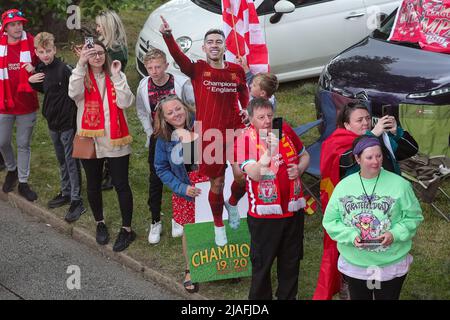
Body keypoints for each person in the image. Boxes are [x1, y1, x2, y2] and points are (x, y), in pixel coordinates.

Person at [313, 101, 419, 300]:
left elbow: (411, 149)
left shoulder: (380, 139)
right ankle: (349, 284)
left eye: (367, 119)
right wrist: (371, 135)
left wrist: (397, 131)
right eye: (359, 120)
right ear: (346, 125)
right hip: (355, 209)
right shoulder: (338, 141)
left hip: (389, 204)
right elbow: (345, 161)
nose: (365, 123)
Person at [160, 16, 249, 246]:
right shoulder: (197, 69)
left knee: (241, 176)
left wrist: (247, 110)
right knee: (216, 183)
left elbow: (244, 93)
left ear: (224, 46)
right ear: (204, 47)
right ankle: (219, 223)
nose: (214, 45)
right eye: (210, 42)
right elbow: (179, 58)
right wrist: (168, 36)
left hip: (235, 131)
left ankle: (232, 202)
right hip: (209, 135)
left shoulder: (237, 70)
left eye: (218, 41)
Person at [235, 98, 310, 300]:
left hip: (293, 210)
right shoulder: (244, 140)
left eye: (269, 115)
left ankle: (288, 296)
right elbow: (255, 174)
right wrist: (269, 151)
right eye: (261, 117)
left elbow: (304, 155)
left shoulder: (284, 129)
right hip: (265, 218)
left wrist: (300, 168)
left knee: (291, 260)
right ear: (250, 119)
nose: (267, 121)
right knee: (262, 263)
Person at [68, 40, 135, 252]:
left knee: (121, 184)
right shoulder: (81, 77)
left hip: (116, 139)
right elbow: (73, 92)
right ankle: (100, 223)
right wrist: (80, 64)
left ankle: (126, 229)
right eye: (92, 53)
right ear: (86, 57)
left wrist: (116, 76)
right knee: (93, 184)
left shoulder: (117, 75)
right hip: (90, 140)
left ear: (105, 55)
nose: (97, 57)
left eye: (100, 53)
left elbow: (126, 102)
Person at [136, 48, 195, 245]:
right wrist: (149, 132)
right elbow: (142, 111)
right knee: (156, 177)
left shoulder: (180, 83)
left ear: (166, 66)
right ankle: (155, 219)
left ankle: (179, 216)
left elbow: (191, 105)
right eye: (150, 67)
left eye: (158, 66)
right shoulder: (144, 85)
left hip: (183, 134)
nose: (154, 71)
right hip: (160, 136)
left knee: (184, 171)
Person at [28, 32, 85, 222]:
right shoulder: (40, 69)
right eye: (42, 51)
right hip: (52, 122)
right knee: (61, 159)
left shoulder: (63, 69)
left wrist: (74, 118)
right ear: (36, 52)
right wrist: (31, 80)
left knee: (71, 160)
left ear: (55, 49)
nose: (46, 55)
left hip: (67, 123)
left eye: (49, 51)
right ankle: (66, 191)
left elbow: (76, 91)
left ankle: (77, 200)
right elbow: (45, 89)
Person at [153, 94, 207, 293]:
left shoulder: (202, 123)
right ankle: (190, 268)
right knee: (190, 232)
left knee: (217, 225)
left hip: (210, 186)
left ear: (185, 107)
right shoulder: (163, 138)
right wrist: (182, 188)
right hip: (186, 191)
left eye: (178, 109)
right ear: (164, 118)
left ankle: (220, 265)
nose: (176, 114)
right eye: (170, 112)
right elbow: (161, 168)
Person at [0, 9, 39, 201]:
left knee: (23, 144)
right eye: (13, 24)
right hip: (4, 104)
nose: (17, 27)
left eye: (20, 23)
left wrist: (37, 68)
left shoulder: (32, 42)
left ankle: (23, 182)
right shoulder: (0, 44)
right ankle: (11, 169)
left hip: (26, 104)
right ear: (5, 27)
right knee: (2, 141)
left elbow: (46, 61)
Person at [95, 10, 128, 191]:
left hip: (112, 94)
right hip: (104, 92)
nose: (97, 28)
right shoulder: (110, 46)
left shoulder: (115, 51)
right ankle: (108, 171)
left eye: (100, 25)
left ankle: (112, 174)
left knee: (111, 132)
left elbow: (109, 73)